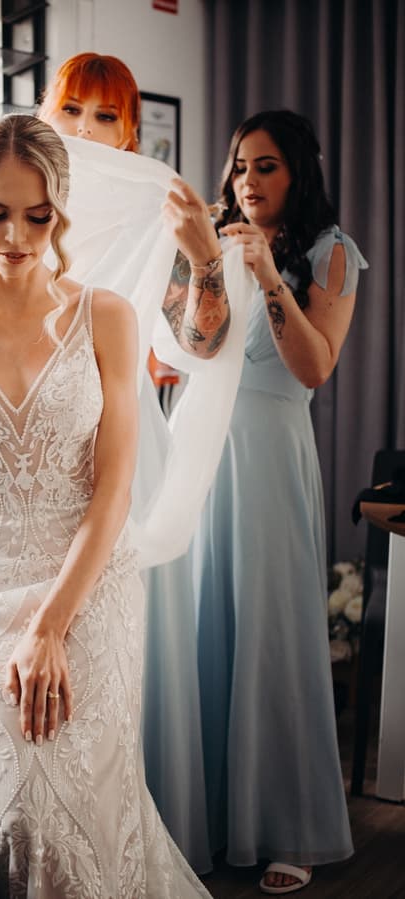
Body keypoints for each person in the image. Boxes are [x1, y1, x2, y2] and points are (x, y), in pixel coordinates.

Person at [0, 52, 249, 874]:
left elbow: (126, 468)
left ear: (61, 212)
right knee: (14, 811)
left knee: (94, 804)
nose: (17, 238)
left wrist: (53, 625)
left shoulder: (110, 313)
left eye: (38, 218)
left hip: (89, 573)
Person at [191, 109, 367, 894]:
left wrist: (266, 276)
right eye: (239, 167)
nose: (248, 182)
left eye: (265, 167)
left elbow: (313, 367)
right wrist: (201, 268)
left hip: (271, 452)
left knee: (272, 630)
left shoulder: (333, 255)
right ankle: (212, 812)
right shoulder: (218, 240)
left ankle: (288, 819)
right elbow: (195, 348)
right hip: (204, 449)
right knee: (208, 626)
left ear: (297, 172)